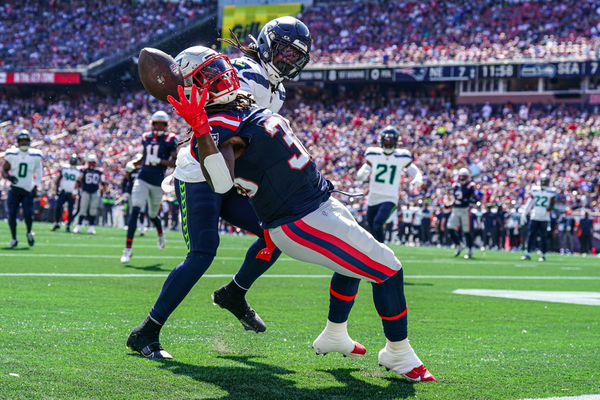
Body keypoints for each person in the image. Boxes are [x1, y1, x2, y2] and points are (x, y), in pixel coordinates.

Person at [166, 76, 436, 381]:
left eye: (222, 69)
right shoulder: (218, 130)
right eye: (213, 74)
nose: (226, 77)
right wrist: (201, 127)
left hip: (318, 202)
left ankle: (335, 335)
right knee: (388, 268)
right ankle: (397, 353)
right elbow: (221, 182)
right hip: (299, 219)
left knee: (352, 266)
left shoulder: (243, 108)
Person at [126, 26, 312, 360]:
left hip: (235, 172)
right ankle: (146, 333)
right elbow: (215, 122)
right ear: (269, 45)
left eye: (295, 55)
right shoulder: (242, 71)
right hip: (200, 172)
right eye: (285, 51)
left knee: (277, 233)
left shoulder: (276, 90)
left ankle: (234, 293)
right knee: (202, 253)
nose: (289, 60)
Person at [120, 111, 177, 263]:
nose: (158, 126)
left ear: (165, 125)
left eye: (161, 123)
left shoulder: (170, 139)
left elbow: (175, 162)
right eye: (156, 123)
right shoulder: (146, 137)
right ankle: (127, 249)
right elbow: (144, 156)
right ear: (152, 124)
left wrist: (159, 161)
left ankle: (160, 232)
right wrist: (134, 163)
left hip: (158, 182)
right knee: (135, 209)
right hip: (143, 178)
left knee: (152, 215)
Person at [355, 125, 423, 243]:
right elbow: (366, 167)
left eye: (391, 140)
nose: (388, 143)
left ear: (396, 141)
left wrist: (418, 177)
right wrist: (362, 173)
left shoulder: (401, 156)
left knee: (377, 224)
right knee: (371, 227)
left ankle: (382, 252)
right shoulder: (373, 154)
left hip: (389, 198)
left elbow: (414, 170)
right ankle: (375, 253)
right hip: (373, 197)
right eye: (386, 140)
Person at [1, 129, 43, 248]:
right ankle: (14, 238)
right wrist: (9, 178)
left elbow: (39, 172)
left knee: (28, 215)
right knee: (12, 215)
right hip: (14, 189)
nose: (24, 143)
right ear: (18, 142)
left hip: (28, 189)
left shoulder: (35, 155)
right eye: (22, 141)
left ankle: (29, 232)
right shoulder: (12, 154)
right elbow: (4, 169)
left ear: (29, 142)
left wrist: (36, 185)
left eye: (26, 141)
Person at [520, 174, 556, 262]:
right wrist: (525, 211)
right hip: (535, 216)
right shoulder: (535, 189)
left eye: (545, 182)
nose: (543, 183)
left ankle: (543, 255)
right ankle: (527, 253)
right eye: (543, 181)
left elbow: (552, 205)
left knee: (543, 237)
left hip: (544, 217)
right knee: (531, 235)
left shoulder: (551, 192)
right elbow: (530, 201)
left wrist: (548, 210)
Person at [448, 168, 478, 259]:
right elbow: (454, 197)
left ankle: (470, 250)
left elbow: (475, 199)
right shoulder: (455, 185)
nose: (461, 178)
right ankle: (459, 244)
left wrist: (467, 200)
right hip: (456, 209)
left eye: (463, 177)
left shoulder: (470, 185)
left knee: (467, 231)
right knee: (450, 228)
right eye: (460, 176)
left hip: (465, 209)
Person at [73, 154, 104, 235]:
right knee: (83, 209)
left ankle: (91, 227)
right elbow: (79, 180)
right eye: (91, 162)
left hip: (95, 192)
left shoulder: (99, 171)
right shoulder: (84, 170)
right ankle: (78, 226)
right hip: (85, 191)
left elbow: (103, 183)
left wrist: (103, 191)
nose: (92, 164)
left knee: (92, 211)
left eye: (93, 162)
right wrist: (75, 190)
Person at [51, 154, 81, 232]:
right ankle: (57, 223)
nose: (73, 162)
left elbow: (79, 183)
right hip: (63, 191)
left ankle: (68, 225)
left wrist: (76, 192)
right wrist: (57, 189)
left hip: (72, 192)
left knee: (70, 210)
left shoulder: (78, 170)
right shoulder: (65, 168)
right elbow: (59, 178)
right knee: (58, 207)